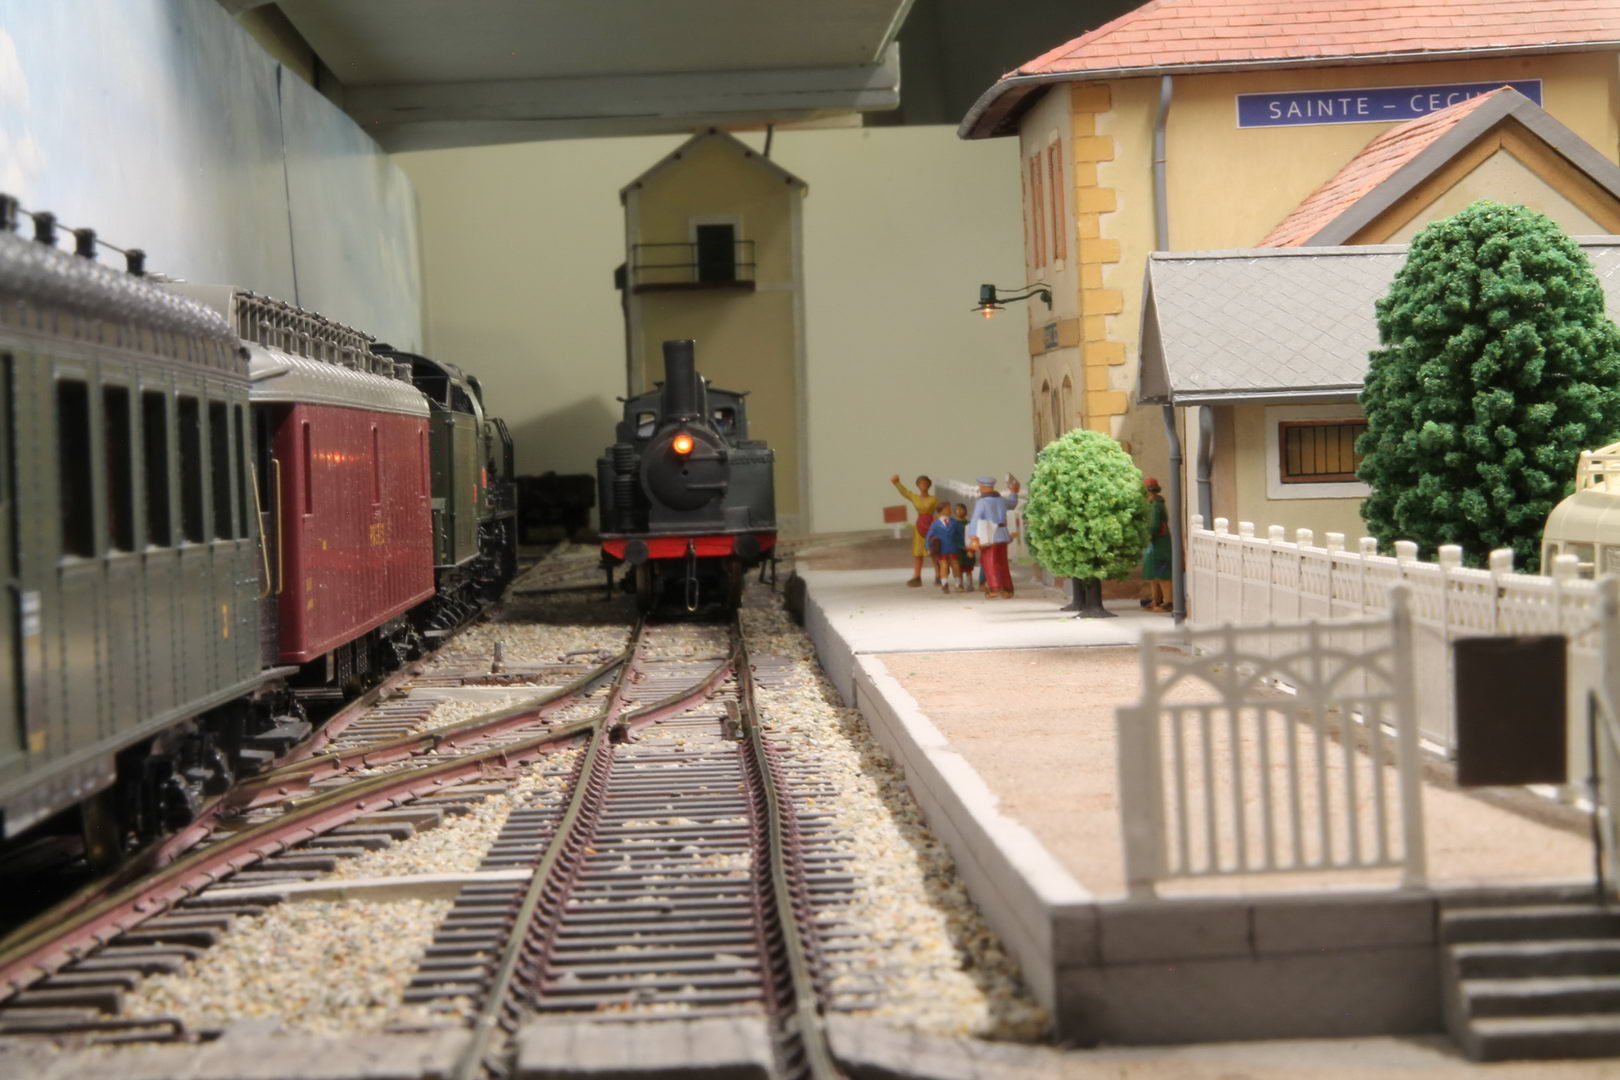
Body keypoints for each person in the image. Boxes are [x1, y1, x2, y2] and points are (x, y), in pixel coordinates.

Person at [966, 475, 1021, 599]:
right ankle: (1007, 588)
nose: (980, 488)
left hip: (989, 536)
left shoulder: (982, 502)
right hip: (1002, 534)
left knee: (989, 562)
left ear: (984, 487)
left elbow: (975, 519)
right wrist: (1013, 492)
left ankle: (994, 587)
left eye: (980, 486)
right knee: (1002, 563)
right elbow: (1012, 504)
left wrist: (973, 536)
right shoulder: (1001, 500)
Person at [890, 474, 939, 587]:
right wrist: (897, 483)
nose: (923, 485)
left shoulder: (934, 499)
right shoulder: (915, 497)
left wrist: (939, 526)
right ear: (918, 485)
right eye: (921, 483)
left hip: (931, 526)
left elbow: (939, 511)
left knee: (934, 551)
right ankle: (917, 576)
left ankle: (938, 575)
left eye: (926, 483)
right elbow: (905, 492)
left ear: (929, 485)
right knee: (918, 552)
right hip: (919, 526)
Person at [1142, 477, 1172, 612]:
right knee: (1153, 572)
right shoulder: (1152, 504)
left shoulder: (1155, 505)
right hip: (1155, 543)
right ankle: (1156, 599)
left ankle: (1168, 601)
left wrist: (1146, 536)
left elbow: (1153, 526)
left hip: (1159, 543)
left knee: (1162, 572)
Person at [925, 503, 964, 592]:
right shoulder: (935, 524)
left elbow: (960, 535)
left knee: (956, 565)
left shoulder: (954, 523)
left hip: (953, 547)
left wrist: (964, 544)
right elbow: (929, 536)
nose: (950, 511)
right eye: (948, 509)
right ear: (942, 510)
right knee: (943, 565)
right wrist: (928, 547)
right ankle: (944, 584)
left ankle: (958, 584)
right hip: (941, 549)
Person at [952, 503, 974, 591]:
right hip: (958, 550)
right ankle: (959, 584)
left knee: (968, 568)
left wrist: (971, 547)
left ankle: (969, 585)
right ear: (955, 512)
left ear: (966, 511)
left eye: (962, 509)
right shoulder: (953, 524)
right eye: (957, 509)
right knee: (959, 567)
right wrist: (960, 545)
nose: (960, 511)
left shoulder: (970, 524)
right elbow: (953, 537)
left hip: (969, 548)